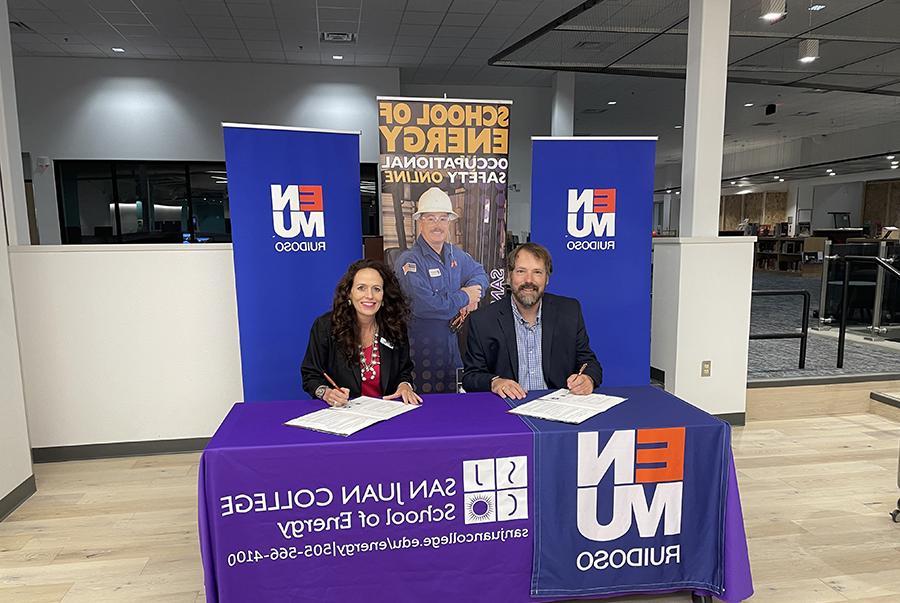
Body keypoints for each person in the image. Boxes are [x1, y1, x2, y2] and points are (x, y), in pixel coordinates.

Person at [462, 242, 602, 399]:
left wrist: (587, 378)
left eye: (537, 272)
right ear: (509, 276)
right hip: (509, 408)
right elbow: (471, 377)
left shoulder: (569, 311)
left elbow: (589, 363)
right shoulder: (483, 320)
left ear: (546, 279)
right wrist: (495, 382)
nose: (529, 280)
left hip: (558, 407)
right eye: (521, 271)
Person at [394, 186, 489, 393]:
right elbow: (425, 306)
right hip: (422, 354)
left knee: (453, 410)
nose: (438, 225)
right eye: (430, 218)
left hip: (451, 350)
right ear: (420, 222)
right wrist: (465, 297)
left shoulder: (455, 254)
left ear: (449, 222)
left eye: (443, 218)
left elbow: (481, 273)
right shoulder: (410, 261)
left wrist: (473, 291)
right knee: (423, 412)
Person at [301, 259, 421, 407]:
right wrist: (326, 393)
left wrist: (405, 385)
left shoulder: (394, 327)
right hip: (344, 415)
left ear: (384, 296)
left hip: (387, 413)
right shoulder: (325, 327)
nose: (369, 296)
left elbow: (404, 371)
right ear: (349, 293)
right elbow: (310, 375)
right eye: (361, 288)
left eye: (376, 289)